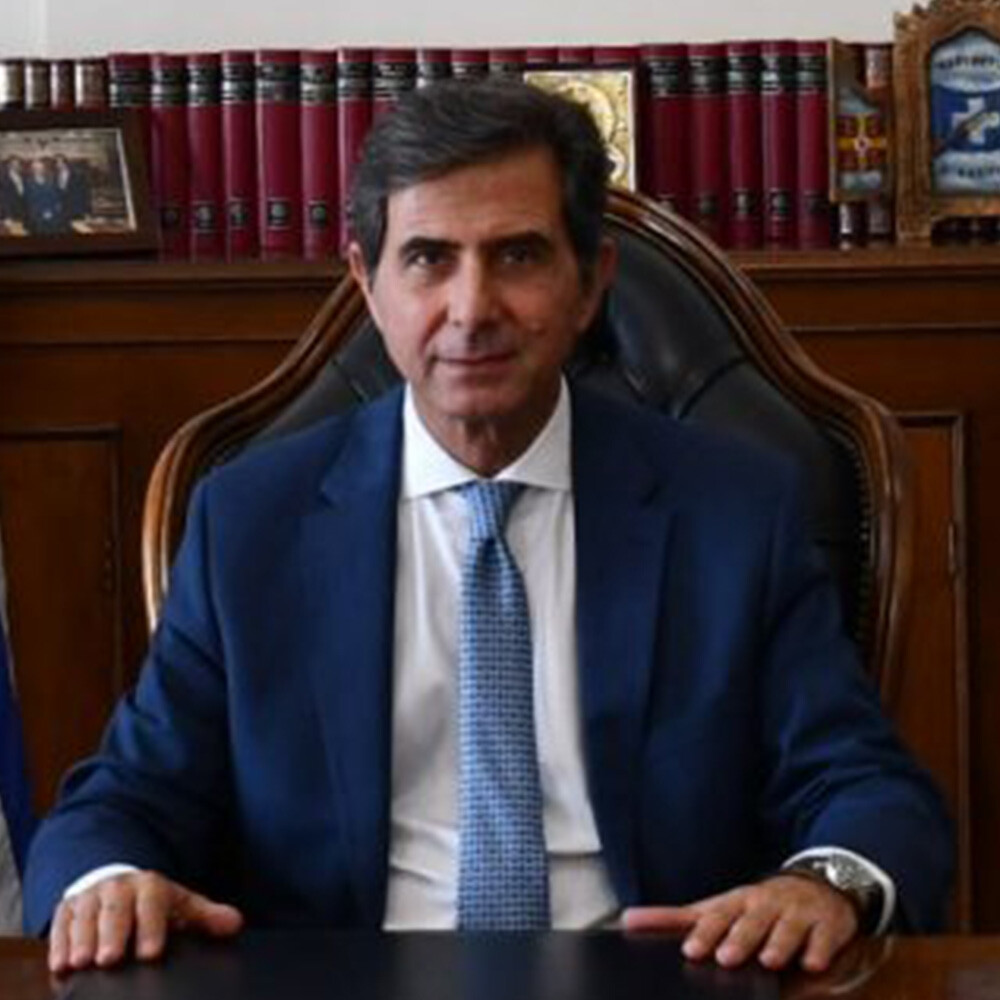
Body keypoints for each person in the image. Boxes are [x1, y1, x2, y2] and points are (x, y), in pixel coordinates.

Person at [24, 79, 952, 975]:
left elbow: (867, 789)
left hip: (655, 977)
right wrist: (110, 886)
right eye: (429, 258)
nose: (472, 310)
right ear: (368, 284)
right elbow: (121, 804)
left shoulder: (732, 513)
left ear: (590, 284)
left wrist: (821, 886)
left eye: (518, 256)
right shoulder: (251, 523)